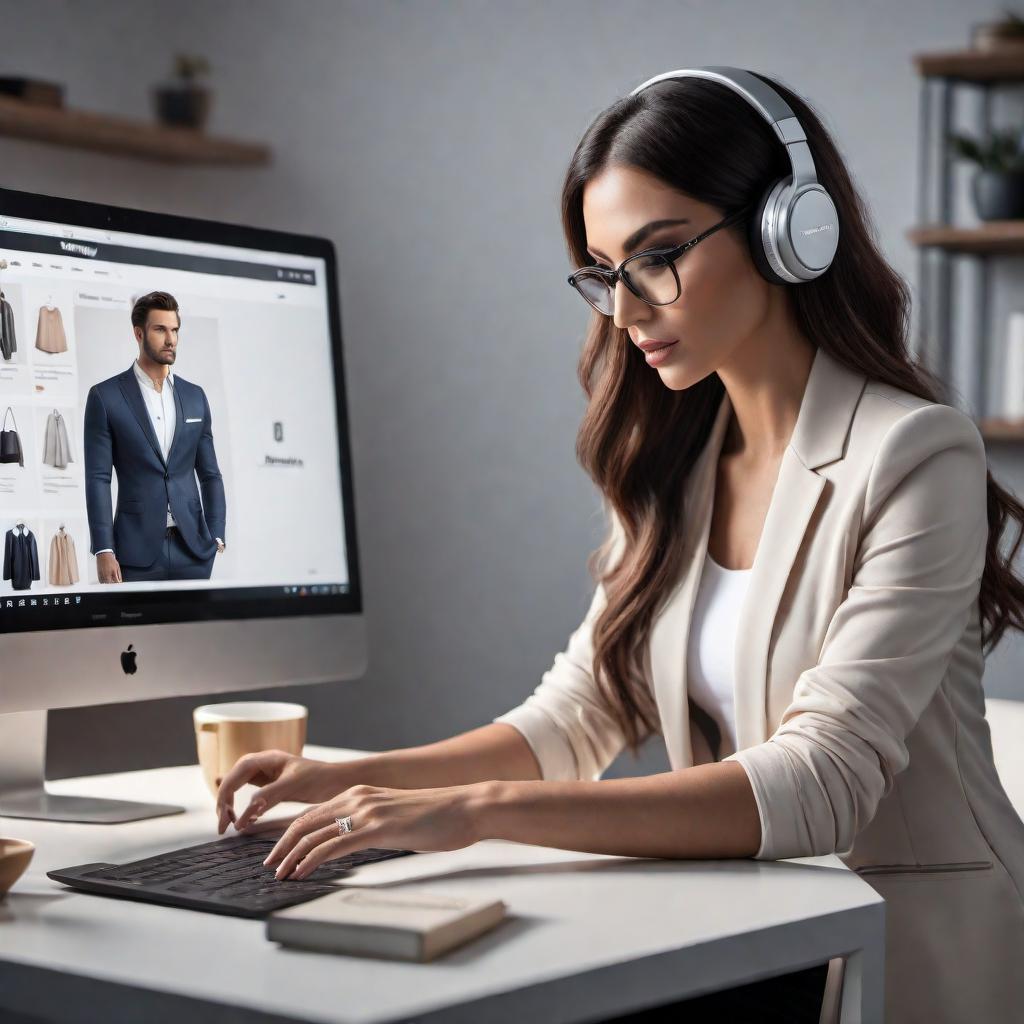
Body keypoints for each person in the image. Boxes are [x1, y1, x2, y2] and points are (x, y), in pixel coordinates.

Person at [213, 69, 1024, 1023]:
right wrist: (363, 778)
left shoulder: (915, 452)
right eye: (605, 272)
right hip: (764, 945)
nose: (627, 310)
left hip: (920, 963)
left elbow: (825, 781)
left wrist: (474, 813)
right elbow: (578, 716)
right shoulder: (677, 461)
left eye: (659, 256)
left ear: (789, 229)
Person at [84, 290, 226, 583]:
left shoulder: (195, 396)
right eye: (160, 329)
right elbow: (98, 478)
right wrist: (104, 549)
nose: (170, 339)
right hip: (134, 553)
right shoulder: (105, 397)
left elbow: (210, 474)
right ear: (139, 333)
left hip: (194, 551)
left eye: (174, 330)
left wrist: (216, 535)